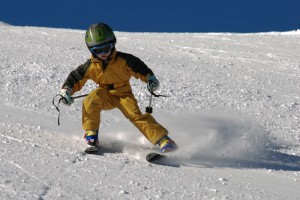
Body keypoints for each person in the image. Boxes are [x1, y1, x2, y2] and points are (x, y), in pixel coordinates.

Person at [60, 22, 177, 153]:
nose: (103, 53)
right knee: (91, 100)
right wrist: (67, 91)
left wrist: (150, 79)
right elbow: (75, 78)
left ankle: (164, 140)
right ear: (91, 50)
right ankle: (91, 133)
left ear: (113, 43)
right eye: (97, 50)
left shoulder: (123, 60)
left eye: (106, 48)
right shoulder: (90, 66)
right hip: (105, 93)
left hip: (123, 94)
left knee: (136, 116)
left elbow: (139, 68)